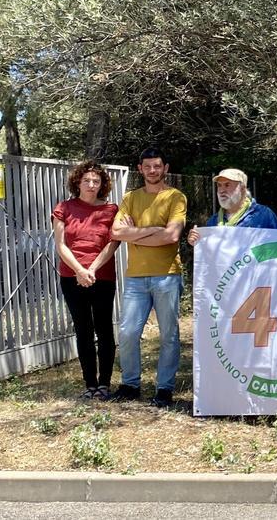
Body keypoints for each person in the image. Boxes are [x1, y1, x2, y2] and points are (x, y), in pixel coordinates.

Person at [109, 148, 187, 407]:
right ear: (140, 169)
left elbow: (172, 236)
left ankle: (164, 389)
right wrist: (153, 230)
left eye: (157, 166)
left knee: (169, 336)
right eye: (147, 166)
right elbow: (116, 233)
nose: (152, 170)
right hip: (136, 278)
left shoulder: (176, 197)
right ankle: (130, 385)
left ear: (165, 168)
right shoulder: (130, 198)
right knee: (128, 332)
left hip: (167, 276)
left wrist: (135, 232)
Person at [52, 161, 120, 400]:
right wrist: (80, 270)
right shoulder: (64, 208)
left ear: (102, 185)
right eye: (87, 180)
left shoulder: (112, 210)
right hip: (72, 277)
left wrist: (91, 268)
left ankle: (104, 384)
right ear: (77, 182)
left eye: (96, 181)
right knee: (83, 329)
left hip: (102, 276)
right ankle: (89, 383)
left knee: (104, 329)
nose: (91, 185)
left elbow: (113, 242)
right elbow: (60, 244)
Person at [188, 169, 277, 245]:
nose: (222, 190)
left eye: (227, 185)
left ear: (242, 189)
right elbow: (210, 257)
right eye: (219, 185)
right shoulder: (213, 221)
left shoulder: (263, 215)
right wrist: (197, 242)